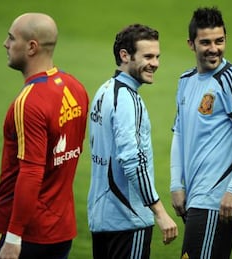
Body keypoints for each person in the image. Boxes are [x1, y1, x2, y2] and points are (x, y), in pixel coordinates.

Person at [0, 13, 89, 259]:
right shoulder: (75, 87)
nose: (5, 44)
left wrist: (14, 238)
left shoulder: (28, 102)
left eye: (11, 38)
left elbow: (31, 172)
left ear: (31, 47)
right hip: (60, 231)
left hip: (19, 231)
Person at [170, 7, 232, 259]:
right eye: (206, 42)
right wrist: (177, 184)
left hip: (216, 199)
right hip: (192, 196)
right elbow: (179, 133)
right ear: (191, 44)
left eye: (219, 41)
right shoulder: (186, 80)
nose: (214, 48)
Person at [87, 24, 178, 259]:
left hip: (101, 217)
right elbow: (131, 160)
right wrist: (159, 212)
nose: (155, 63)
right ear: (125, 56)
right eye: (148, 56)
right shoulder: (128, 100)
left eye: (157, 56)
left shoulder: (104, 91)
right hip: (128, 220)